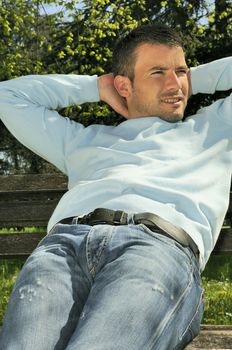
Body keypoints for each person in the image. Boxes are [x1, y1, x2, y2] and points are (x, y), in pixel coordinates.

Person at [0, 23, 231, 350]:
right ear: (124, 85)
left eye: (180, 70)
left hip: (155, 248)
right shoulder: (81, 139)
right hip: (64, 247)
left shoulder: (215, 129)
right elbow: (7, 96)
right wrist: (96, 86)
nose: (174, 83)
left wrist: (195, 79)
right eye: (157, 72)